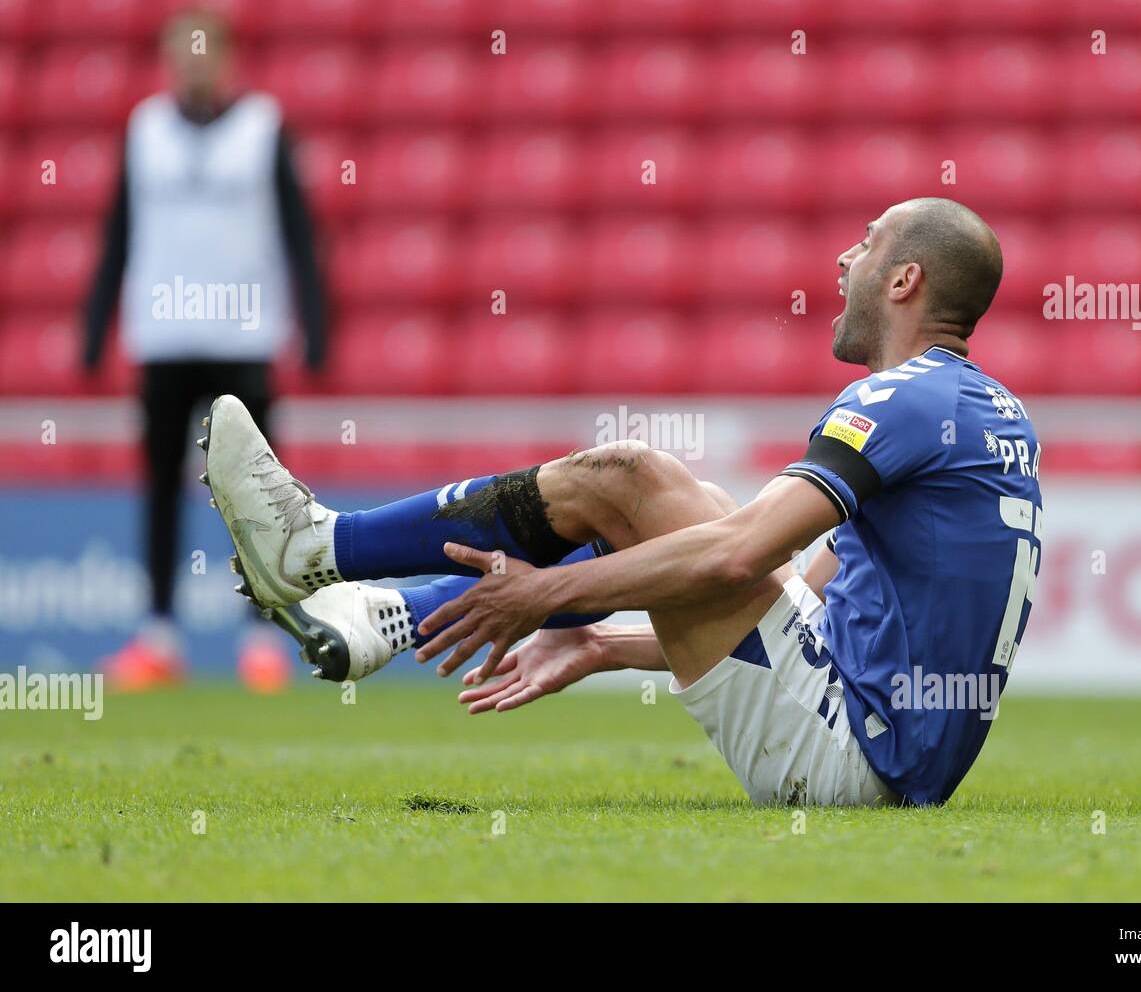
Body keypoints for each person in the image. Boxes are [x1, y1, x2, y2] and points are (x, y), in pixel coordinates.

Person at [202, 198, 1042, 807]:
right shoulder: (989, 413)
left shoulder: (902, 402)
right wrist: (601, 644)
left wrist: (544, 597)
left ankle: (319, 548)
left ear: (904, 279)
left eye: (864, 245)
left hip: (852, 757)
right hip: (887, 751)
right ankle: (383, 612)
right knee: (700, 502)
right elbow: (808, 590)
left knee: (628, 481)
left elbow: (737, 559)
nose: (842, 261)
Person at [82, 8, 328, 690]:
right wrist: (94, 326)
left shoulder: (262, 129)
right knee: (160, 486)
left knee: (255, 492)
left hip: (242, 336)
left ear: (226, 59)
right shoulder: (145, 131)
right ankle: (158, 634)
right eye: (179, 55)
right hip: (163, 336)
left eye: (203, 55)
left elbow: (299, 233)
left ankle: (264, 635)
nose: (192, 67)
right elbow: (119, 231)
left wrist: (315, 324)